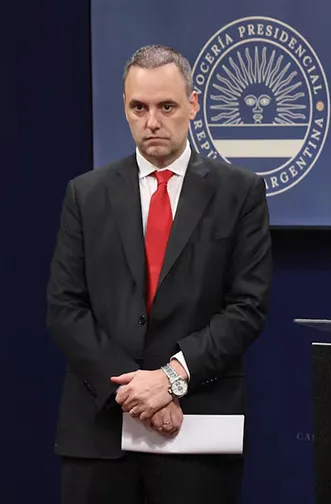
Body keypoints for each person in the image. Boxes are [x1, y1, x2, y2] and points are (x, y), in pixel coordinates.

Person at [45, 44, 272, 504]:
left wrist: (170, 378)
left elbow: (247, 308)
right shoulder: (84, 196)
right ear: (125, 109)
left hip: (195, 435)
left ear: (192, 104)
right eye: (139, 108)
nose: (152, 122)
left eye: (166, 106)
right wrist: (138, 390)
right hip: (99, 436)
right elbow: (65, 308)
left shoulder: (240, 193)